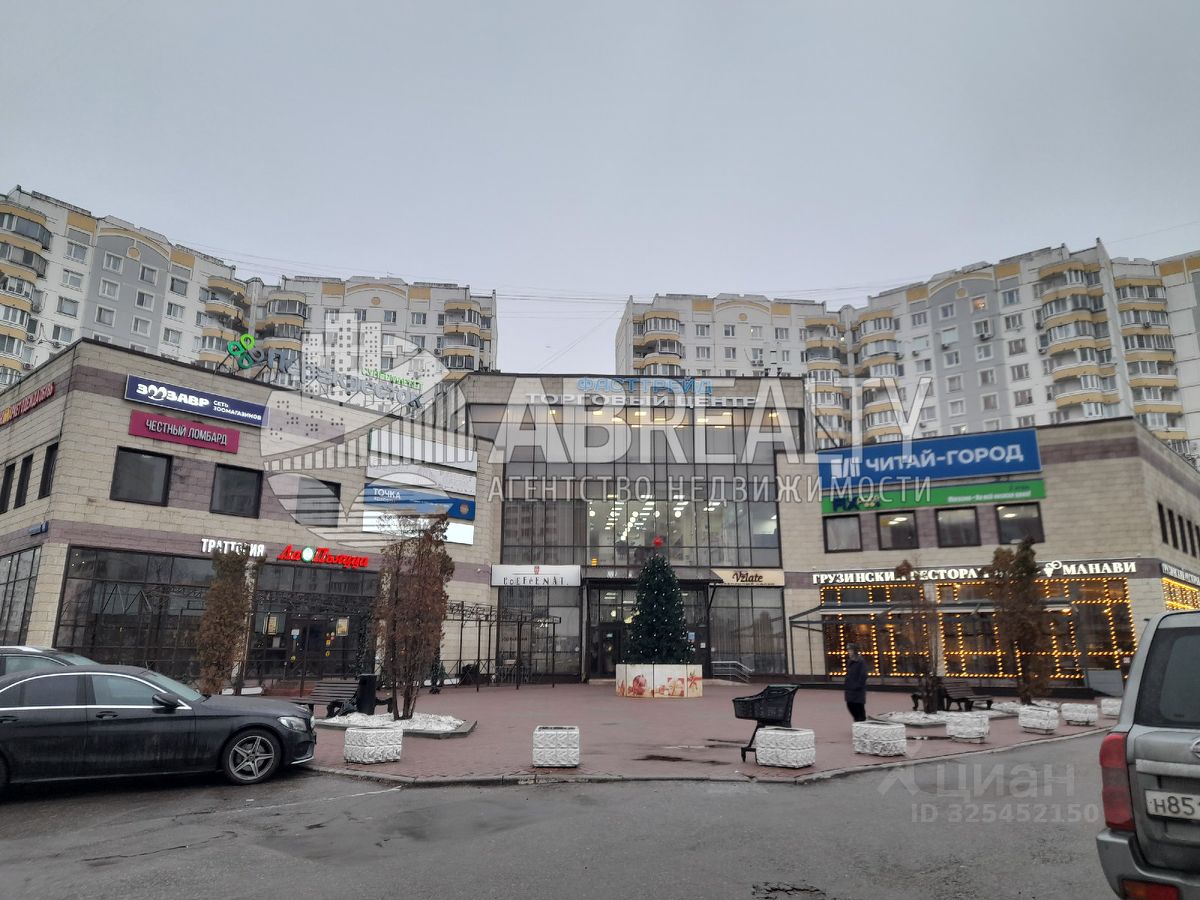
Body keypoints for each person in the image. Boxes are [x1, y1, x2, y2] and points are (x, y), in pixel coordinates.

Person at [844, 643, 868, 722]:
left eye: (850, 650)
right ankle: (857, 720)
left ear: (855, 651)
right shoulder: (850, 661)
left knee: (859, 707)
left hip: (858, 689)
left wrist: (858, 685)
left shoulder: (860, 661)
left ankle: (861, 722)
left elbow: (863, 675)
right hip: (850, 688)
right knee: (850, 704)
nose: (849, 652)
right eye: (848, 650)